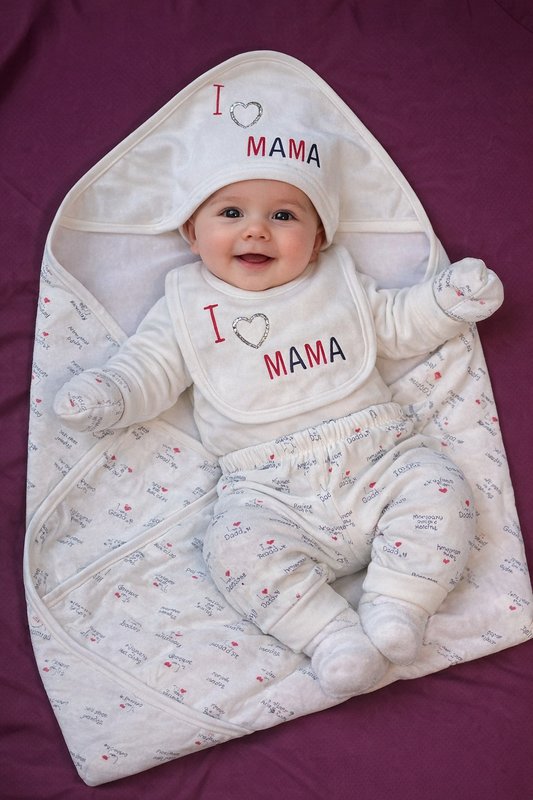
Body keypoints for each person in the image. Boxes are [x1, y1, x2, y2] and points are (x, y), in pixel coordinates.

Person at [54, 175, 503, 699]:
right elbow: (149, 369)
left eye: (284, 216)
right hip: (268, 491)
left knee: (437, 488)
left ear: (318, 239)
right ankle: (331, 638)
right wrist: (109, 393)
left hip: (378, 459)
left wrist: (446, 302)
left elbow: (397, 323)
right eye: (231, 213)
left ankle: (401, 606)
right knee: (233, 547)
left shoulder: (337, 285)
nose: (257, 230)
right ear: (192, 234)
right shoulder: (185, 309)